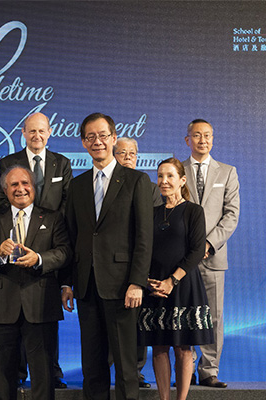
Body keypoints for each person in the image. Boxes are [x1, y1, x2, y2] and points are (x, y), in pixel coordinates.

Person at [62, 113, 153, 400]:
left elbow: (144, 236)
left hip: (123, 287)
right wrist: (67, 283)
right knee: (93, 366)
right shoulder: (76, 186)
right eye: (90, 137)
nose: (97, 141)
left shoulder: (136, 180)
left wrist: (137, 282)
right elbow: (71, 237)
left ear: (113, 138)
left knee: (126, 367)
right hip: (87, 287)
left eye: (103, 135)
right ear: (83, 143)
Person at [0, 166, 71, 400]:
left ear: (34, 187)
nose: (20, 189)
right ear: (5, 191)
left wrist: (39, 258)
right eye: (14, 185)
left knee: (43, 377)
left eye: (25, 183)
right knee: (2, 377)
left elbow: (64, 252)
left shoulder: (52, 218)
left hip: (41, 307)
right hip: (2, 307)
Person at [0, 112, 72, 388]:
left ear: (49, 133)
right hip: (15, 254)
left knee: (45, 325)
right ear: (23, 133)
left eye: (41, 131)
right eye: (31, 131)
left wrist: (43, 248)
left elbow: (66, 210)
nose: (36, 136)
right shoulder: (7, 162)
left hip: (48, 250)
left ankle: (53, 371)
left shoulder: (61, 163)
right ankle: (18, 375)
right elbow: (2, 209)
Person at [138, 157, 213, 400]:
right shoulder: (152, 213)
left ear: (182, 180)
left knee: (183, 348)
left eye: (170, 176)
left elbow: (196, 251)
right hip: (155, 287)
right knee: (159, 347)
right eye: (160, 176)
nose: (164, 181)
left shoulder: (193, 211)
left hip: (183, 286)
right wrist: (148, 280)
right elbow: (142, 249)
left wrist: (172, 280)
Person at [182, 119, 240, 388]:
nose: (202, 140)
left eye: (207, 135)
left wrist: (207, 245)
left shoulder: (227, 172)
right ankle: (185, 370)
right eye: (196, 135)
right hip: (181, 258)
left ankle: (209, 371)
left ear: (213, 139)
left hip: (213, 256)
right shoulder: (176, 169)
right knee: (182, 314)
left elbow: (231, 215)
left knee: (213, 316)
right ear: (188, 140)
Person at [112, 137, 163, 388]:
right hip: (109, 263)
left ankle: (136, 371)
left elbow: (151, 228)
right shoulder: (102, 184)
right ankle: (107, 367)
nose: (129, 156)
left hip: (140, 263)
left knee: (138, 319)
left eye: (133, 152)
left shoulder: (149, 186)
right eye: (123, 152)